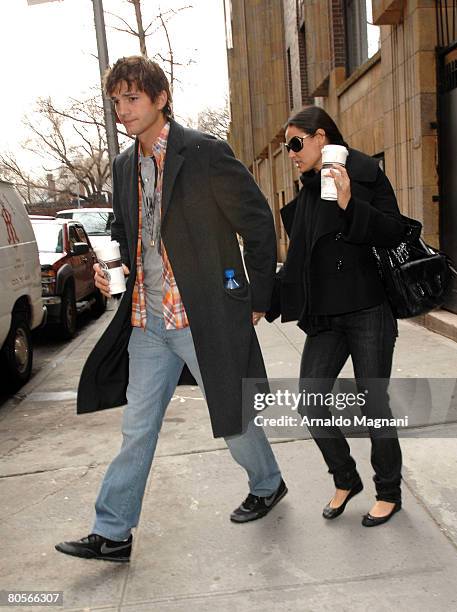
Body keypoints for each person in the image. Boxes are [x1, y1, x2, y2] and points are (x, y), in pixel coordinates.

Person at [55, 56, 286, 562]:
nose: (123, 110)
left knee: (232, 413)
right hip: (146, 320)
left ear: (160, 99)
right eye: (116, 101)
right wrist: (107, 270)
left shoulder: (204, 153)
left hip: (201, 312)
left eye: (132, 99)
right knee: (138, 426)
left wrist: (256, 296)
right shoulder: (122, 167)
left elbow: (257, 221)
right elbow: (124, 233)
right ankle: (113, 531)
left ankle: (267, 483)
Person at [267, 106, 405, 527]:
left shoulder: (364, 173)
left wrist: (348, 202)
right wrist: (262, 302)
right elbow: (298, 265)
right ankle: (346, 478)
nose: (290, 153)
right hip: (327, 318)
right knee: (311, 402)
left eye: (295, 143)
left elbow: (394, 231)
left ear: (321, 137)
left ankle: (389, 492)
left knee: (373, 403)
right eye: (286, 146)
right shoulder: (307, 193)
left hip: (368, 310)